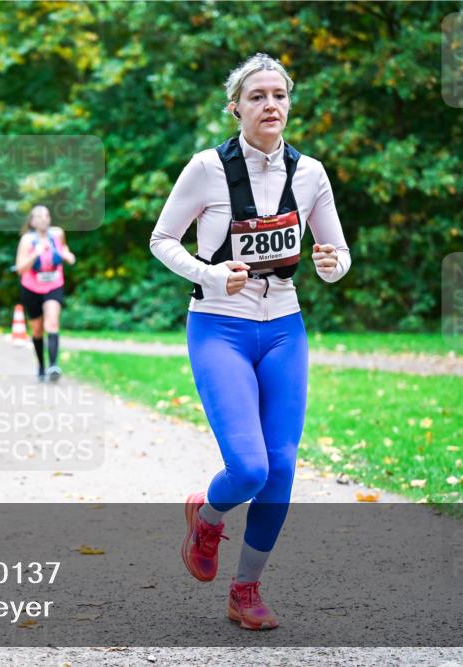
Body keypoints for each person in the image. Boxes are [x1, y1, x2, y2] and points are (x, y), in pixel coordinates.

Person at [149, 53, 351, 631]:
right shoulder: (206, 169)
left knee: (281, 468)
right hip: (219, 326)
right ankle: (208, 517)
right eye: (257, 96)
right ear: (235, 106)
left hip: (285, 328)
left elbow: (337, 255)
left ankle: (246, 589)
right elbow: (162, 239)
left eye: (279, 96)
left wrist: (332, 265)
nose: (271, 105)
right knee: (248, 468)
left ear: (289, 105)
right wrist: (210, 274)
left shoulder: (309, 173)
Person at [14, 205, 75, 383]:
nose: (43, 219)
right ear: (32, 221)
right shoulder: (27, 240)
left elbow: (64, 250)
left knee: (52, 323)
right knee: (37, 330)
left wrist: (68, 256)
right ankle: (41, 365)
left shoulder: (57, 234)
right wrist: (36, 254)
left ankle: (54, 365)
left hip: (54, 285)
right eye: (39, 217)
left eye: (46, 215)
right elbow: (20, 268)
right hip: (31, 288)